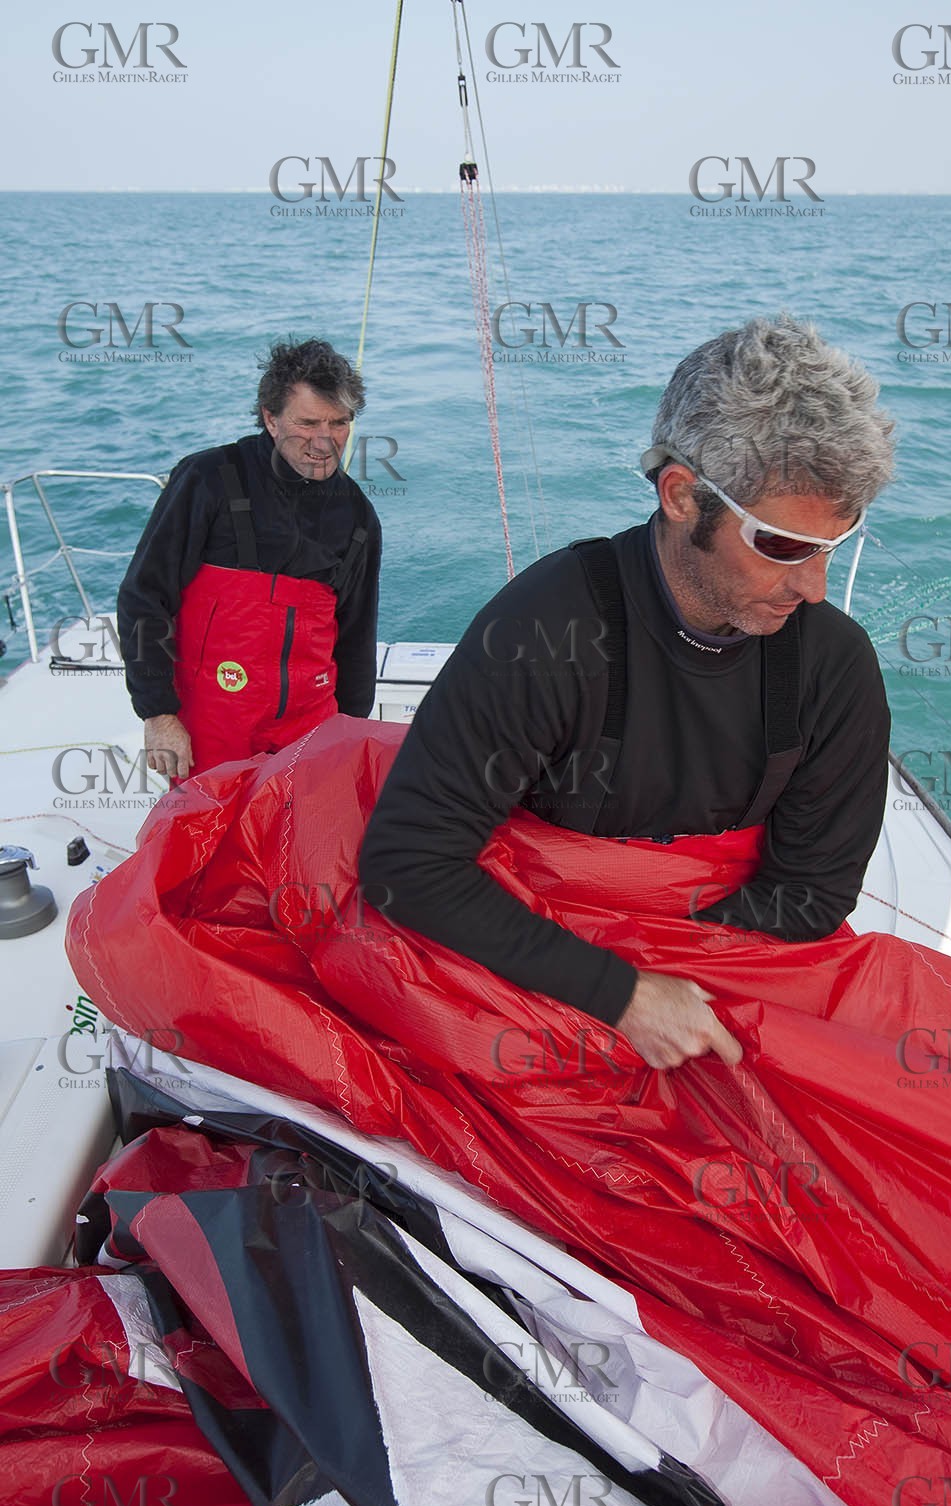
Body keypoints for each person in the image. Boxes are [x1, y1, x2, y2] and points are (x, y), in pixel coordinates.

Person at [359, 314, 894, 1074]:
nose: (812, 588)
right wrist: (621, 994)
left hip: (714, 980)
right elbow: (408, 863)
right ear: (681, 495)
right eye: (781, 547)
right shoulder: (543, 630)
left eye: (831, 550)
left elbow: (810, 893)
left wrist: (677, 992)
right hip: (530, 961)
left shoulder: (832, 664)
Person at [117, 337, 382, 780]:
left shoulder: (358, 515)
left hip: (310, 727)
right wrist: (158, 713)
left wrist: (350, 731)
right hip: (213, 724)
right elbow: (144, 597)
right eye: (308, 422)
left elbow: (356, 637)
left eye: (339, 423)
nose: (325, 441)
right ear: (271, 419)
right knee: (208, 843)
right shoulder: (208, 479)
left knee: (301, 844)